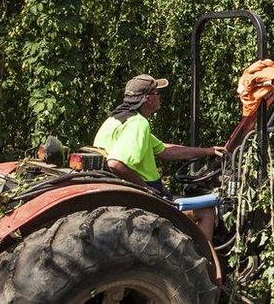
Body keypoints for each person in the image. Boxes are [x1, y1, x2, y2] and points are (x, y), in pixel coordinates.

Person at [93, 74, 225, 240]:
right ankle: (206, 263)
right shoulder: (138, 124)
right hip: (144, 195)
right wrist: (146, 189)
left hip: (121, 191)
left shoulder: (115, 120)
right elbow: (115, 163)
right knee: (206, 211)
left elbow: (164, 150)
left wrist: (207, 151)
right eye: (157, 93)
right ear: (148, 99)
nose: (160, 97)